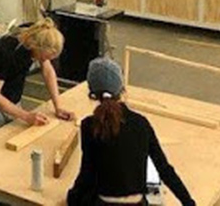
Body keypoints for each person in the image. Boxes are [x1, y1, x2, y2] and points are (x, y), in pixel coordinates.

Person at [68, 58, 196, 206]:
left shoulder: (89, 125)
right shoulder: (141, 123)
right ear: (121, 89)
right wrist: (188, 202)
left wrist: (72, 197)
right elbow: (164, 168)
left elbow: (87, 175)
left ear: (92, 93)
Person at [0, 18, 74, 139]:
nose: (43, 61)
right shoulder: (4, 52)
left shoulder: (39, 32)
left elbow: (47, 71)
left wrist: (58, 106)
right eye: (42, 57)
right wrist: (26, 116)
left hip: (14, 105)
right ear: (35, 46)